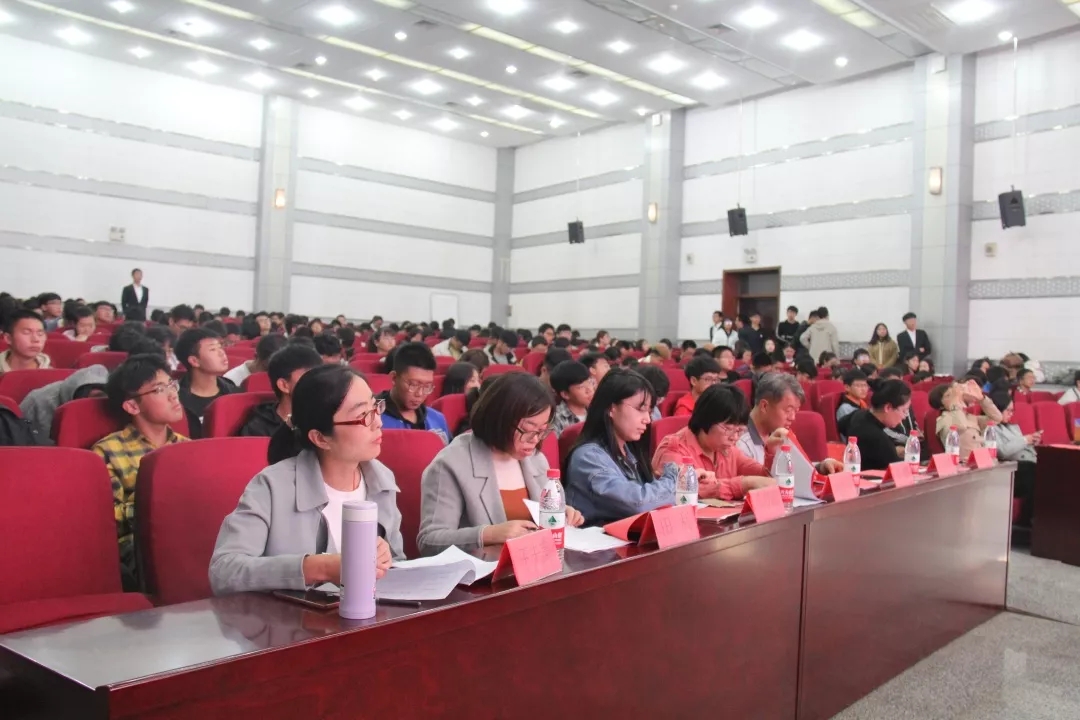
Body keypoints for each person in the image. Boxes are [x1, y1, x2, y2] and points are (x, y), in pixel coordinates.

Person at [210, 366, 401, 594]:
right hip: (290, 616)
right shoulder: (272, 486)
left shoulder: (381, 480)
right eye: (363, 416)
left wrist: (386, 560)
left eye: (375, 406)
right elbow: (224, 571)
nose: (378, 422)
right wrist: (318, 568)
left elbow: (399, 564)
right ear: (320, 438)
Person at [417, 372, 583, 556]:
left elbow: (543, 518)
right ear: (499, 419)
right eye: (528, 429)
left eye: (542, 430)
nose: (535, 439)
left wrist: (560, 514)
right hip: (482, 571)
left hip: (536, 563)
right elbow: (429, 541)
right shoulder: (451, 464)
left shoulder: (535, 459)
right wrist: (488, 534)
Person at [92, 354, 188, 590]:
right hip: (139, 544)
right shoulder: (108, 451)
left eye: (172, 385)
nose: (173, 395)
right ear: (132, 406)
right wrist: (156, 502)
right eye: (159, 390)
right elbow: (108, 520)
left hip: (190, 533)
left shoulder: (188, 447)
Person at [563, 369, 682, 525]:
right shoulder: (588, 456)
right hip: (597, 539)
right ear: (611, 408)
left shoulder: (629, 451)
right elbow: (638, 503)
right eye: (640, 409)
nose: (647, 419)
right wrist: (675, 477)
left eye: (650, 411)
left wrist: (686, 478)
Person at [653, 384, 776, 502]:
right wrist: (744, 484)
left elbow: (764, 477)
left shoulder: (728, 450)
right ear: (706, 420)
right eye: (728, 429)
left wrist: (773, 451)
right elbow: (682, 489)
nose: (734, 437)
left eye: (739, 430)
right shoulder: (674, 448)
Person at [736, 372, 843, 475]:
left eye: (795, 411)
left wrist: (820, 468)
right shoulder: (740, 443)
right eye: (788, 410)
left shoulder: (777, 432)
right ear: (764, 406)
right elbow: (762, 481)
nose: (793, 418)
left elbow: (792, 470)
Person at [239, 344, 323, 437]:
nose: (318, 385)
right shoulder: (258, 430)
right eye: (308, 378)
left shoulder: (326, 418)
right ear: (283, 385)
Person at [376, 342, 451, 442]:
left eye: (427, 386)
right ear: (394, 378)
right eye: (413, 384)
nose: (419, 393)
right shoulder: (373, 418)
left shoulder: (437, 419)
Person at [175, 327, 239, 438]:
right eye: (213, 349)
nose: (222, 353)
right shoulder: (176, 400)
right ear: (194, 361)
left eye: (220, 347)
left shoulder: (234, 392)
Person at [988, 390, 1038, 527]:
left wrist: (1032, 441)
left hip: (1027, 465)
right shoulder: (990, 428)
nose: (1011, 414)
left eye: (1012, 410)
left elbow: (1023, 447)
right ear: (997, 409)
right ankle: (1026, 522)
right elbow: (1002, 451)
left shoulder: (1013, 427)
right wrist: (1025, 440)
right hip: (1009, 469)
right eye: (1008, 410)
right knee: (1033, 472)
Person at [843, 380, 913, 471]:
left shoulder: (858, 414)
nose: (904, 417)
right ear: (888, 407)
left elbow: (841, 425)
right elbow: (900, 470)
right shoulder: (877, 438)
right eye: (904, 411)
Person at [929, 380, 1003, 460]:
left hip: (983, 459)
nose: (955, 396)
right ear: (941, 406)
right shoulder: (942, 420)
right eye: (948, 395)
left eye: (953, 393)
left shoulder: (969, 416)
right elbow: (962, 426)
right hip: (964, 463)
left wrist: (982, 399)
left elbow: (997, 418)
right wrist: (955, 405)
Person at [550, 360, 595, 437]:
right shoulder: (556, 419)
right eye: (581, 387)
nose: (589, 389)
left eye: (589, 382)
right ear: (565, 394)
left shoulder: (597, 410)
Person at [835, 369, 870, 440]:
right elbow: (852, 433)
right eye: (859, 386)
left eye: (865, 385)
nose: (863, 389)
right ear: (847, 387)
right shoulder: (845, 408)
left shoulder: (862, 404)